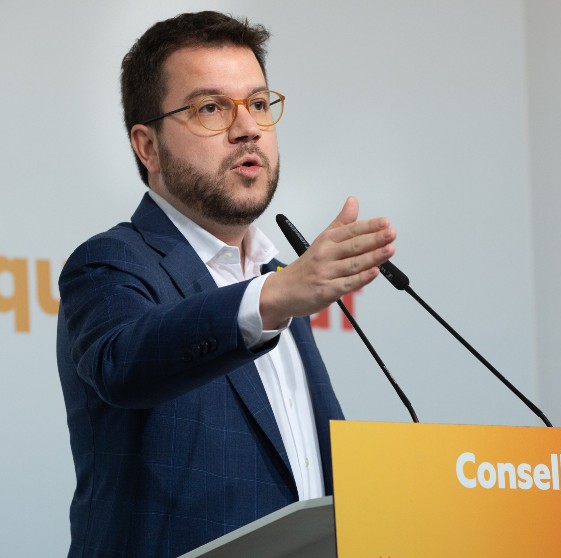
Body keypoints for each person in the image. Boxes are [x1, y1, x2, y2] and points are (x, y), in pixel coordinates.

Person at [55, 11, 397, 557]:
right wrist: (274, 298)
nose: (248, 127)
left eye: (259, 103)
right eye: (211, 108)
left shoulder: (272, 277)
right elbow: (124, 363)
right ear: (148, 146)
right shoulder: (110, 264)